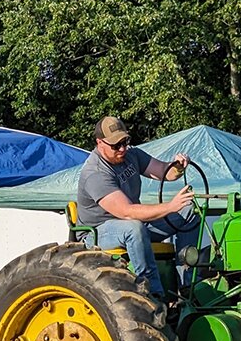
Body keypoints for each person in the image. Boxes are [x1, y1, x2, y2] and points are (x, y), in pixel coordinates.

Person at [76, 116, 195, 299]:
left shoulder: (131, 155)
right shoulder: (95, 173)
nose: (122, 148)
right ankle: (151, 292)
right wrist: (170, 206)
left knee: (189, 212)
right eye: (116, 145)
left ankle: (188, 286)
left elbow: (166, 173)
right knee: (133, 227)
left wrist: (178, 166)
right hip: (97, 233)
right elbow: (127, 212)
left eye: (125, 141)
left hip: (134, 224)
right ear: (100, 143)